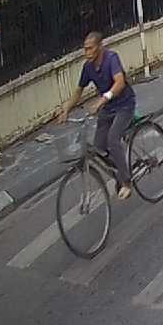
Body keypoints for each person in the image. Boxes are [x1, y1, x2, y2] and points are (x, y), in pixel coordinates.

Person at [58, 32, 136, 200]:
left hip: (124, 106)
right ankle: (119, 171)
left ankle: (126, 181)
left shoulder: (111, 58)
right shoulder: (88, 67)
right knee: (99, 148)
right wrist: (66, 108)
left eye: (90, 48)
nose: (87, 52)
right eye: (85, 49)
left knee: (113, 139)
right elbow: (79, 91)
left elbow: (120, 82)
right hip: (107, 110)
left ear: (100, 47)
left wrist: (102, 100)